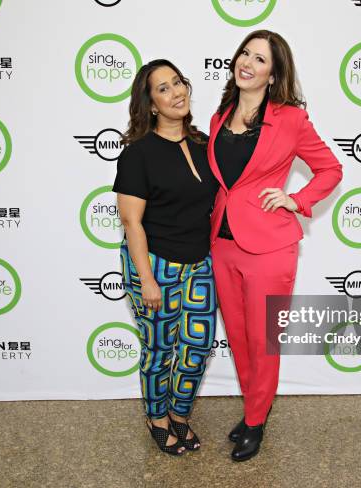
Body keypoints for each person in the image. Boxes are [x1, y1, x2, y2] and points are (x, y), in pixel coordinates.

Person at [208, 30, 343, 462]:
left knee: (263, 340)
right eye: (244, 53)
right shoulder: (220, 115)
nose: (246, 62)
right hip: (222, 243)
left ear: (273, 73)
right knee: (239, 337)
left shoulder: (291, 120)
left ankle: (255, 422)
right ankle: (254, 410)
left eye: (259, 59)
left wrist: (297, 199)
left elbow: (330, 169)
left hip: (269, 247)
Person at [113, 59, 218, 456]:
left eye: (178, 82)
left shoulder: (204, 143)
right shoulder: (138, 154)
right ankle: (156, 418)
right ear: (151, 103)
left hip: (199, 263)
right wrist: (147, 280)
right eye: (163, 88)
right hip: (154, 263)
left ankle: (179, 413)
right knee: (159, 350)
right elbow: (131, 221)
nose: (177, 92)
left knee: (197, 347)